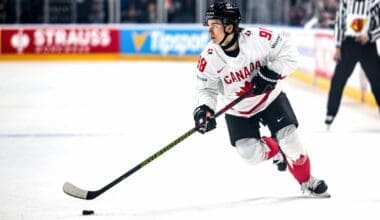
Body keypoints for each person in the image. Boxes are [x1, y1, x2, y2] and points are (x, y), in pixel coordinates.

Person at [193, 0, 329, 197]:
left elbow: (290, 54)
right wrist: (204, 109)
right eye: (209, 25)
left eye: (214, 25)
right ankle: (276, 150)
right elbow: (206, 89)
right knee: (249, 155)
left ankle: (307, 181)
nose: (209, 30)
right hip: (237, 110)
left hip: (269, 99)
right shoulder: (209, 58)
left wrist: (272, 72)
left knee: (293, 144)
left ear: (229, 26)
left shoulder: (259, 38)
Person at [325, 0, 380, 126]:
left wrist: (370, 35)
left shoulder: (375, 2)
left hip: (367, 45)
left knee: (377, 80)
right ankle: (331, 112)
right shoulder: (346, 1)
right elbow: (339, 22)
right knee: (338, 79)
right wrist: (338, 46)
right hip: (348, 44)